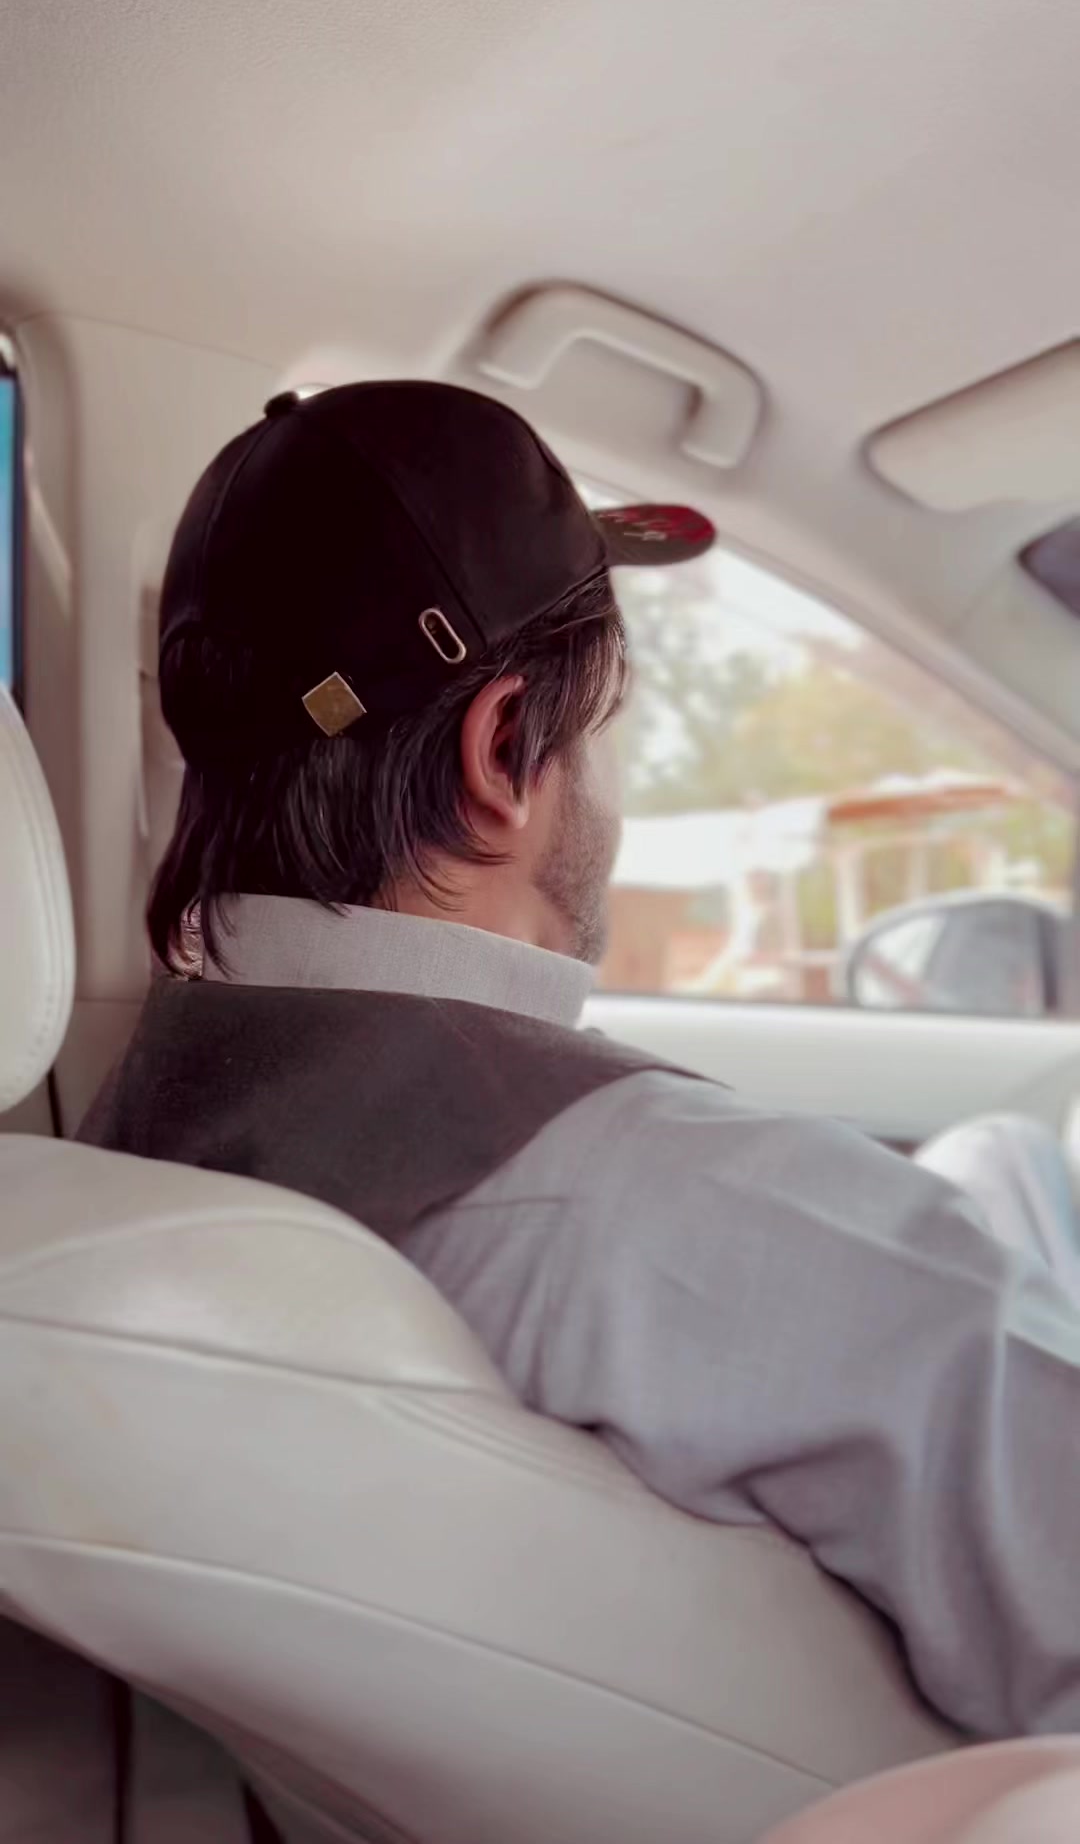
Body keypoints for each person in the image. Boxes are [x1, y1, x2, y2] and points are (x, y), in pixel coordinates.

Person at [81, 380, 1080, 1742]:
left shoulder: (121, 1157)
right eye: (605, 726)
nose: (610, 781)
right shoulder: (692, 1210)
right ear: (503, 752)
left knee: (1004, 1159)